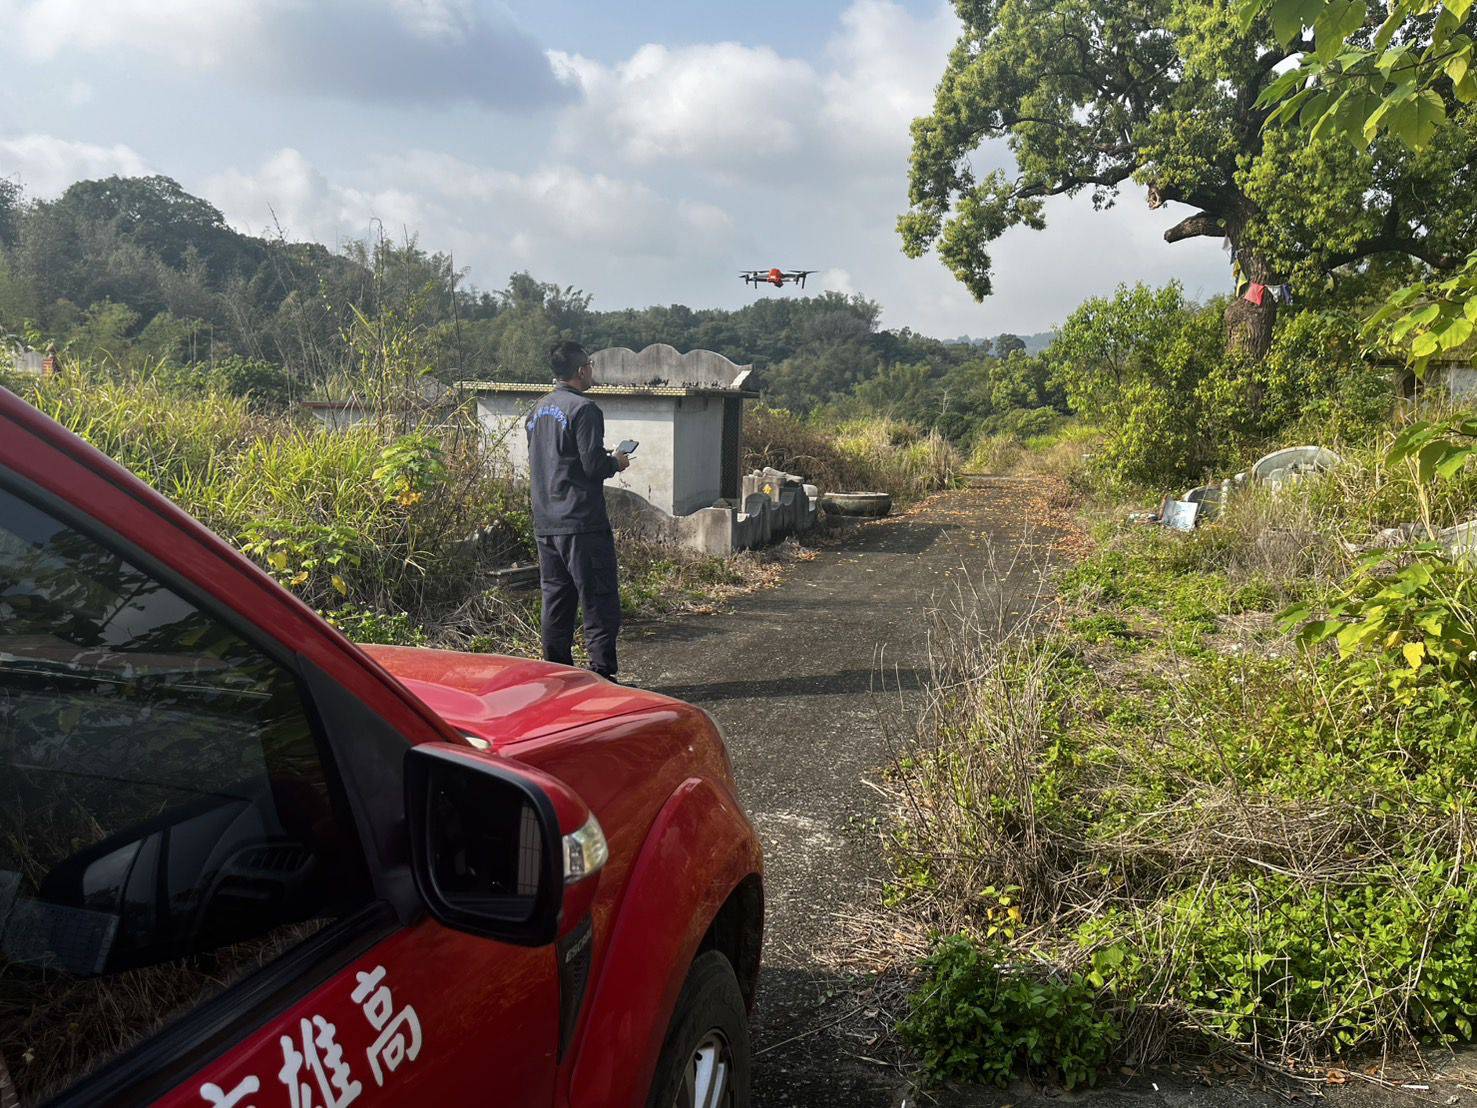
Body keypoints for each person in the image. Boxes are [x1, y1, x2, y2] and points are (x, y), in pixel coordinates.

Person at [526, 340, 632, 680]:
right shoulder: (584, 409)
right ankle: (602, 678)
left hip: (546, 522)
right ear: (580, 370)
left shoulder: (537, 410)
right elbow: (591, 466)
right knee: (598, 600)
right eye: (589, 365)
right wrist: (614, 461)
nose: (591, 371)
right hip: (582, 523)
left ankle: (557, 678)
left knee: (556, 602)